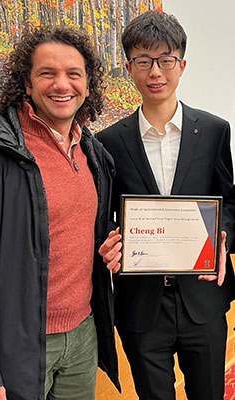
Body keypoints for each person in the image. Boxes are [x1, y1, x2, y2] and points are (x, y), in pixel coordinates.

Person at [0, 25, 120, 400]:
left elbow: (76, 231)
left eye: (73, 74)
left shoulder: (94, 154)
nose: (61, 85)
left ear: (88, 84)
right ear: (27, 82)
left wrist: (110, 247)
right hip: (12, 346)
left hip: (83, 338)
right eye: (47, 73)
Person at [97, 11, 235, 400]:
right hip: (141, 306)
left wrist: (225, 238)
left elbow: (229, 202)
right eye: (143, 61)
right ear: (129, 68)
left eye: (165, 60)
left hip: (203, 299)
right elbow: (104, 216)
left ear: (181, 65)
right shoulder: (108, 141)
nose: (155, 72)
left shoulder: (212, 130)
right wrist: (108, 241)